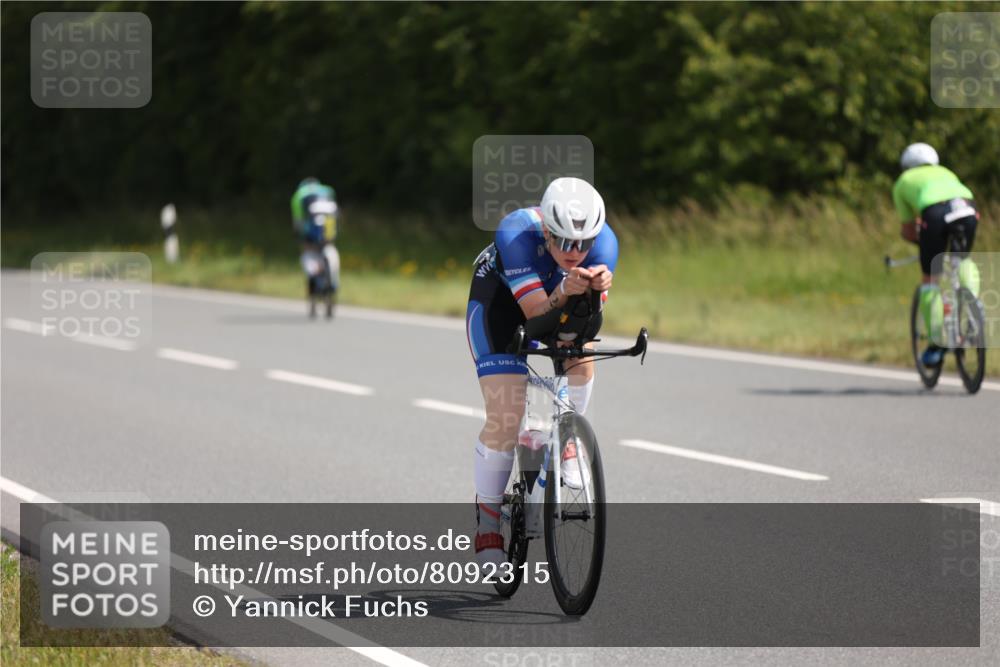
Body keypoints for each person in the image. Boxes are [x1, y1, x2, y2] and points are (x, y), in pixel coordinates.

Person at [465, 177, 618, 566]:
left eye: (583, 244)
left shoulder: (605, 246)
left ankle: (570, 436)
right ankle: (488, 521)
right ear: (547, 230)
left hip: (555, 297)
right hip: (500, 305)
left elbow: (582, 325)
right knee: (507, 415)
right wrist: (567, 289)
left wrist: (593, 295)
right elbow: (535, 318)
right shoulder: (517, 233)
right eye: (564, 242)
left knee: (581, 352)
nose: (575, 251)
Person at [893, 143, 981, 367]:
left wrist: (922, 243)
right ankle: (973, 301)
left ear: (906, 165)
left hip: (935, 213)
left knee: (930, 279)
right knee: (961, 259)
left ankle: (936, 344)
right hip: (967, 208)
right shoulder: (946, 172)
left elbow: (908, 229)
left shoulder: (903, 182)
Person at [290, 178, 341, 312]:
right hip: (329, 230)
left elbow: (298, 221)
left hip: (311, 232)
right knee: (330, 248)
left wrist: (299, 237)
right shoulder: (327, 190)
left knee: (308, 251)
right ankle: (333, 281)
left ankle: (315, 272)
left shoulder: (299, 195)